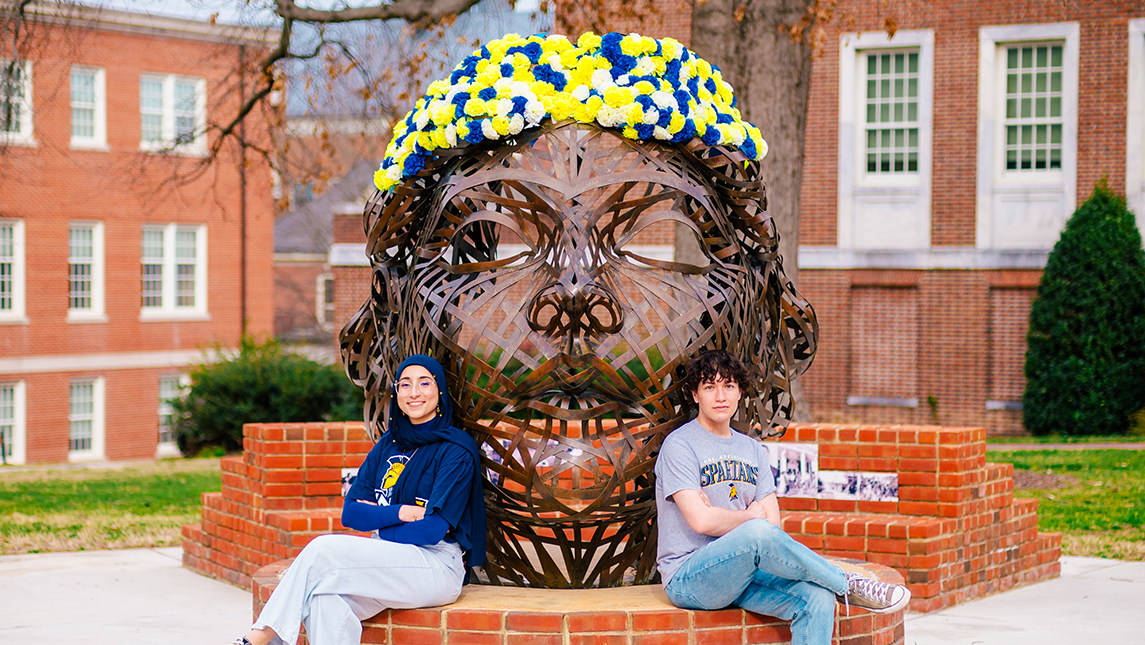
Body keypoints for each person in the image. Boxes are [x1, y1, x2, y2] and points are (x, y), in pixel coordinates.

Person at [655, 350, 910, 645]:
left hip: (744, 574)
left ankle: (834, 587)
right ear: (696, 395)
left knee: (818, 598)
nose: (720, 395)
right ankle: (846, 583)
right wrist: (750, 517)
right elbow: (701, 520)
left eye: (728, 386)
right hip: (690, 577)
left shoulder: (753, 450)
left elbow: (772, 526)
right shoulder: (680, 445)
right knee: (756, 531)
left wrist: (731, 520)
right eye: (709, 387)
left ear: (739, 391)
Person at [232, 354, 485, 645]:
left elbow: (431, 530)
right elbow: (351, 513)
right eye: (405, 384)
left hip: (435, 565)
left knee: (323, 549)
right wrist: (401, 512)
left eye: (424, 383)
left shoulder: (455, 450)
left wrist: (379, 519)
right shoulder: (388, 444)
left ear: (439, 391)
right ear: (397, 393)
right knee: (323, 600)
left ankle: (260, 638)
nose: (414, 392)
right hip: (386, 558)